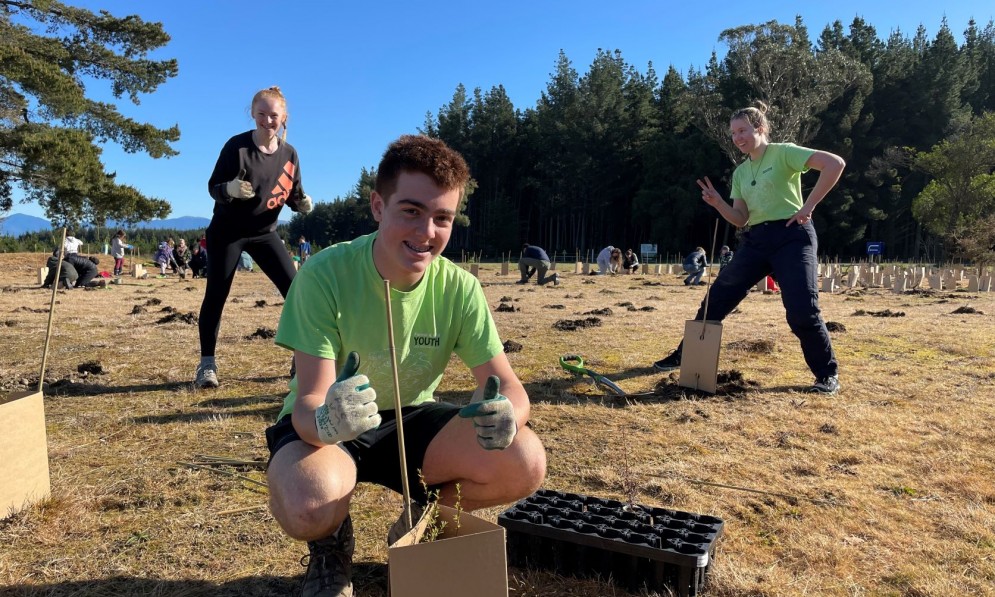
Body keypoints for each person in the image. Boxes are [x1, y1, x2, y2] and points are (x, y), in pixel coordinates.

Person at [265, 135, 546, 597]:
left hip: (410, 419)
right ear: (378, 206)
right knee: (307, 504)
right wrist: (328, 420)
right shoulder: (323, 276)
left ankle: (421, 523)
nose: (426, 232)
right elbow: (309, 402)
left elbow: (510, 388)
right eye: (411, 211)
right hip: (329, 425)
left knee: (525, 461)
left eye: (442, 218)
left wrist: (508, 417)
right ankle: (332, 547)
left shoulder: (460, 289)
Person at [653, 101, 845, 394]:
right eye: (733, 133)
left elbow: (834, 164)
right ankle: (686, 355)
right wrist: (718, 203)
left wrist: (808, 206)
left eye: (743, 130)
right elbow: (741, 219)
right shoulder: (740, 173)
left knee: (802, 310)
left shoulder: (784, 152)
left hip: (793, 236)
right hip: (756, 240)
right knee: (716, 298)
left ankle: (826, 375)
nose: (737, 137)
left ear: (760, 128)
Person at [196, 86, 313, 389]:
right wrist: (229, 190)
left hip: (265, 234)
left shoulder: (290, 154)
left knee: (298, 292)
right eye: (261, 114)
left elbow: (292, 193)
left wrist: (301, 203)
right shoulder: (237, 147)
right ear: (253, 114)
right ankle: (207, 365)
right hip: (227, 233)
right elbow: (213, 187)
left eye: (273, 115)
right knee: (216, 295)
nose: (267, 120)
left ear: (283, 117)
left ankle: (301, 362)